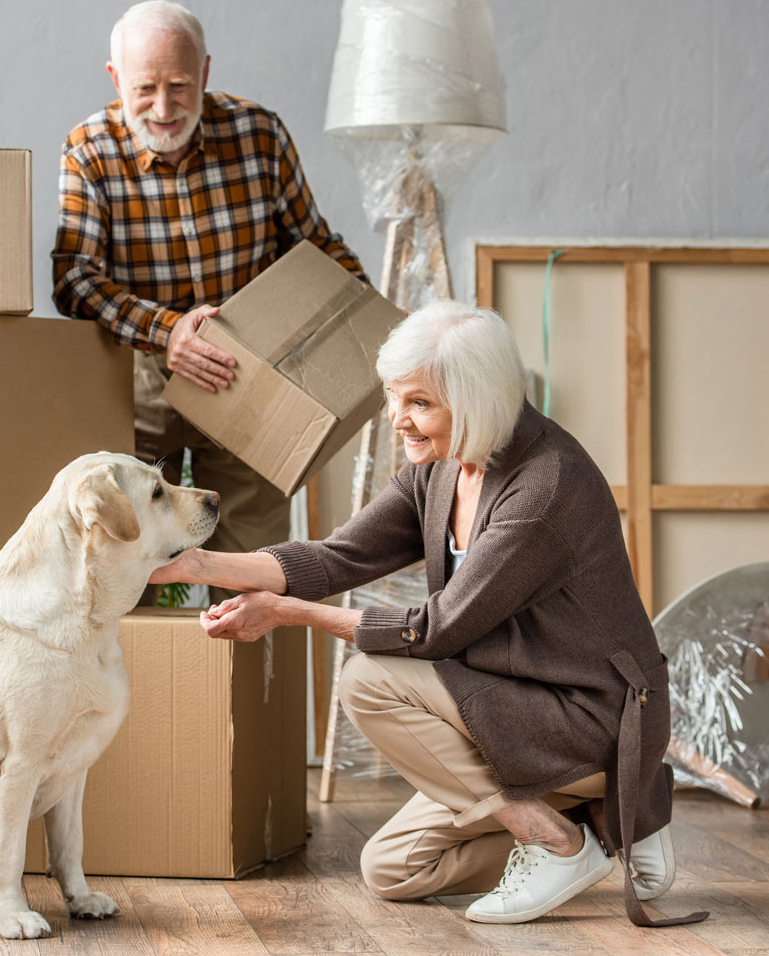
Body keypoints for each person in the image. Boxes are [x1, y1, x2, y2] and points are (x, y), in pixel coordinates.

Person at [149, 299, 708, 928]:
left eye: (419, 404)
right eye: (395, 399)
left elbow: (439, 629)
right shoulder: (440, 468)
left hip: (592, 714)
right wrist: (195, 565)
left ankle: (557, 842)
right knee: (392, 871)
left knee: (368, 679)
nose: (399, 421)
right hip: (509, 704)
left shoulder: (545, 488)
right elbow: (337, 557)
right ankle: (602, 819)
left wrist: (290, 613)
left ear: (476, 401)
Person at [51, 0, 369, 600]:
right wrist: (168, 332)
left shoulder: (260, 134)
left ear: (205, 73)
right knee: (121, 564)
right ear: (117, 79)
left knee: (257, 568)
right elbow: (73, 278)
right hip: (141, 374)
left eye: (180, 85)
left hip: (247, 374)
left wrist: (374, 317)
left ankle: (247, 694)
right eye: (146, 88)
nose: (164, 108)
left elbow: (315, 245)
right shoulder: (89, 148)